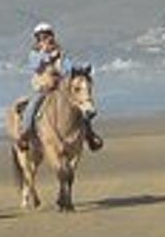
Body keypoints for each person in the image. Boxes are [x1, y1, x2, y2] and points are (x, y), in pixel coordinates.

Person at [15, 22, 103, 152]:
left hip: (60, 88)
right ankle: (25, 134)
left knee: (80, 106)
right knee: (33, 105)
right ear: (38, 39)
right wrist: (48, 57)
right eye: (42, 37)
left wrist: (80, 67)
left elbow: (68, 67)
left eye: (47, 36)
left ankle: (89, 134)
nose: (46, 39)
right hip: (44, 87)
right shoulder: (35, 53)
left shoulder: (59, 52)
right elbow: (35, 65)